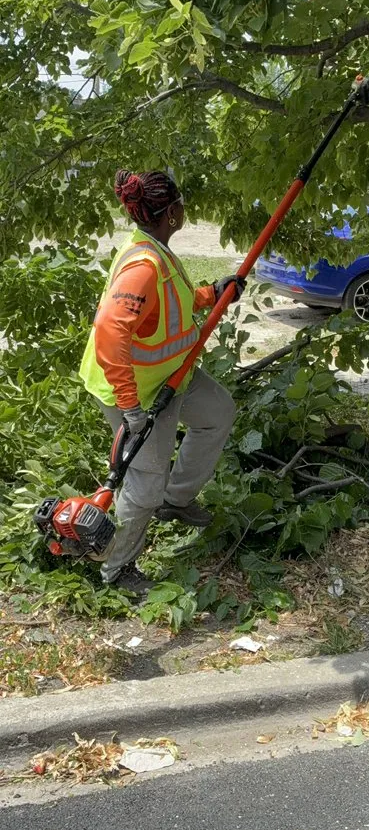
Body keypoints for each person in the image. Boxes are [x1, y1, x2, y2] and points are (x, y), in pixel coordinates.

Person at [79, 169, 246, 595]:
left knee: (218, 412)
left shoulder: (157, 249)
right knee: (143, 486)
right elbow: (110, 328)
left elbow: (171, 304)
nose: (185, 208)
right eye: (182, 203)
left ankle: (176, 500)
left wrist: (213, 292)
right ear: (171, 213)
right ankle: (114, 570)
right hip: (133, 391)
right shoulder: (143, 264)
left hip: (174, 375)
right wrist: (131, 408)